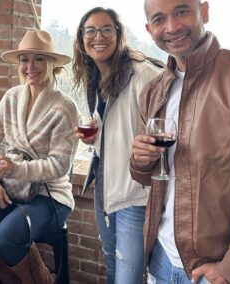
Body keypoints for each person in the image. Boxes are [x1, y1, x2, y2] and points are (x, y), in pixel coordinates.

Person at [130, 0, 230, 283]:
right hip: (159, 261)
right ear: (149, 29)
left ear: (203, 11)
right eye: (159, 19)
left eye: (181, 12)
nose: (171, 27)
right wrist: (140, 162)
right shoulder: (153, 91)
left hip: (217, 269)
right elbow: (153, 180)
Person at [0, 30, 78, 284]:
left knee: (7, 237)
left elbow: (60, 165)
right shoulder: (12, 97)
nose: (30, 66)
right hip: (10, 187)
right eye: (24, 59)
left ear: (51, 64)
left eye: (39, 59)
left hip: (49, 195)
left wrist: (16, 169)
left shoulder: (64, 107)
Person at [73, 7, 163, 284]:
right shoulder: (96, 76)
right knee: (112, 265)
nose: (97, 36)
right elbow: (120, 129)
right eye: (90, 30)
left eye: (106, 29)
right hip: (106, 186)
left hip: (135, 195)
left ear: (119, 35)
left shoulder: (142, 74)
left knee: (129, 277)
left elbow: (163, 132)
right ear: (81, 38)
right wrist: (96, 138)